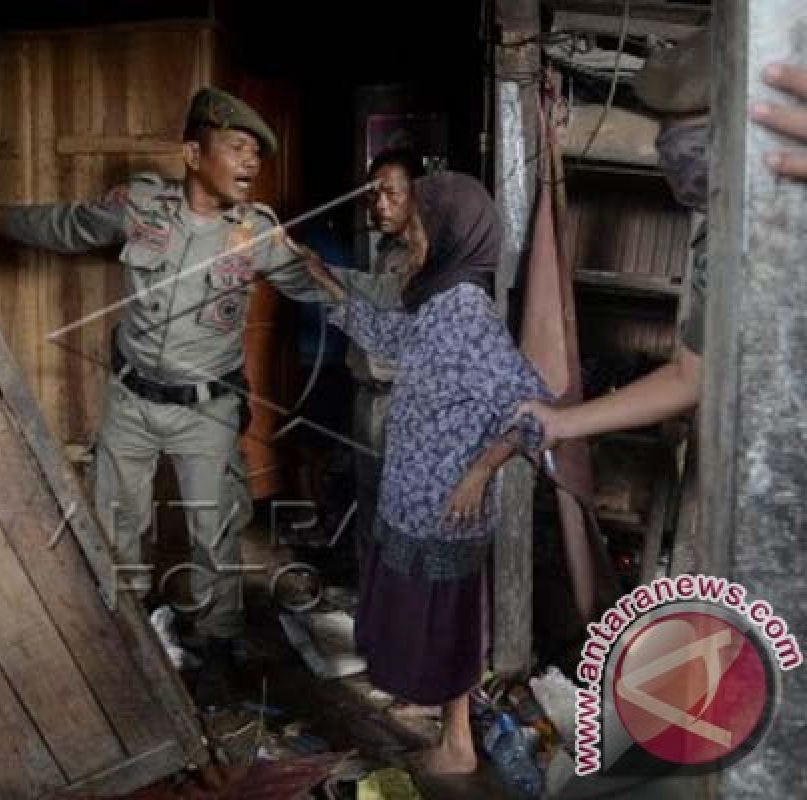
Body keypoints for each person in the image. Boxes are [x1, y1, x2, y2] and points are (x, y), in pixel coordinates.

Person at [0, 87, 326, 699]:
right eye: (236, 148)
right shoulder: (140, 209)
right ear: (193, 152)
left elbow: (321, 285)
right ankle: (128, 640)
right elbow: (70, 224)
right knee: (117, 524)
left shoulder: (256, 232)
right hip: (132, 403)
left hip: (207, 410)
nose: (249, 163)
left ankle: (217, 644)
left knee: (213, 529)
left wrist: (405, 303)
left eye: (256, 156)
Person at [296, 173, 551, 775]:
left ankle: (458, 745)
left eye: (416, 231)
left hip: (443, 506)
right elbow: (393, 337)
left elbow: (535, 412)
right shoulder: (439, 303)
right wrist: (326, 283)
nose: (409, 242)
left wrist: (479, 473)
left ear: (448, 235)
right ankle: (439, 716)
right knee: (423, 621)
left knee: (448, 626)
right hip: (413, 500)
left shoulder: (466, 312)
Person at [521, 36, 807, 444]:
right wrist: (560, 424)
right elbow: (689, 377)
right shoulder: (724, 237)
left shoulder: (791, 203)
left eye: (695, 134)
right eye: (669, 133)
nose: (672, 152)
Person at [343, 149, 503, 570]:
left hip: (403, 403)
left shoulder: (440, 267)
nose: (380, 204)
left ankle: (399, 602)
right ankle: (372, 599)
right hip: (369, 398)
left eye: (392, 194)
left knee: (407, 518)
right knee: (370, 501)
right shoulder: (386, 252)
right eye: (373, 194)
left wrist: (320, 276)